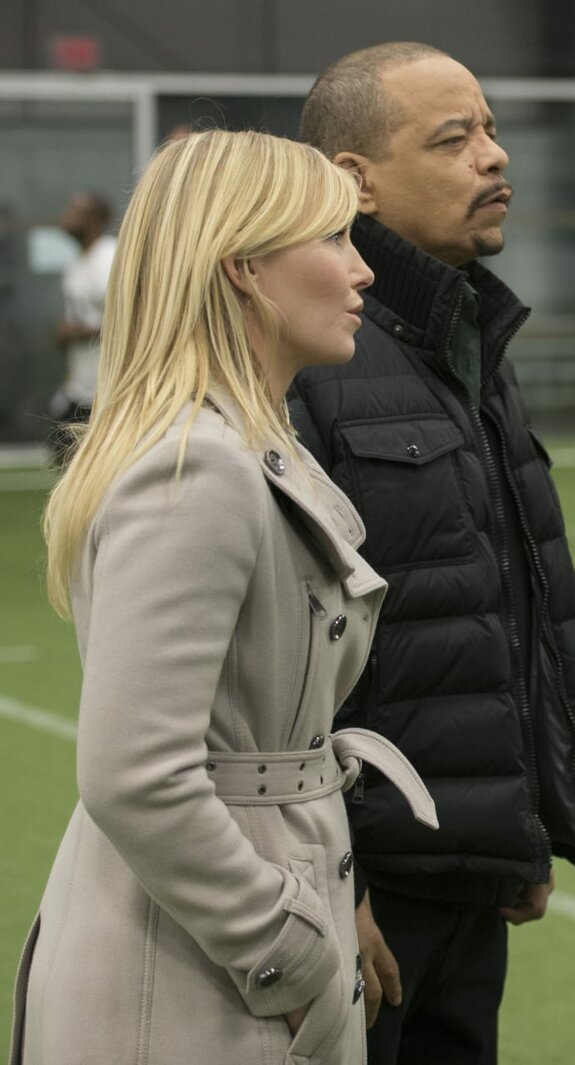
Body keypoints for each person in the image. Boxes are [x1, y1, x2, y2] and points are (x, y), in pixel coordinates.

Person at [14, 130, 436, 1065]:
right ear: (244, 266)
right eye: (332, 237)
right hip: (192, 973)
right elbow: (136, 773)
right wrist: (287, 946)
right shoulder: (198, 466)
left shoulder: (239, 445)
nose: (362, 269)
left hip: (221, 935)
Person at [293, 42, 575, 1064]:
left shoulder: (468, 336)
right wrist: (333, 879)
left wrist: (527, 821)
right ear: (355, 180)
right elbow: (275, 661)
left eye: (491, 130)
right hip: (360, 889)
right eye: (452, 138)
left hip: (467, 868)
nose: (494, 156)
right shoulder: (305, 356)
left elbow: (508, 606)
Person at [48, 191, 115, 466]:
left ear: (94, 219)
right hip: (81, 388)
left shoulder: (108, 258)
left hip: (109, 389)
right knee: (64, 459)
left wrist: (77, 332)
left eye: (74, 211)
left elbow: (132, 320)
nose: (65, 217)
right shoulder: (77, 264)